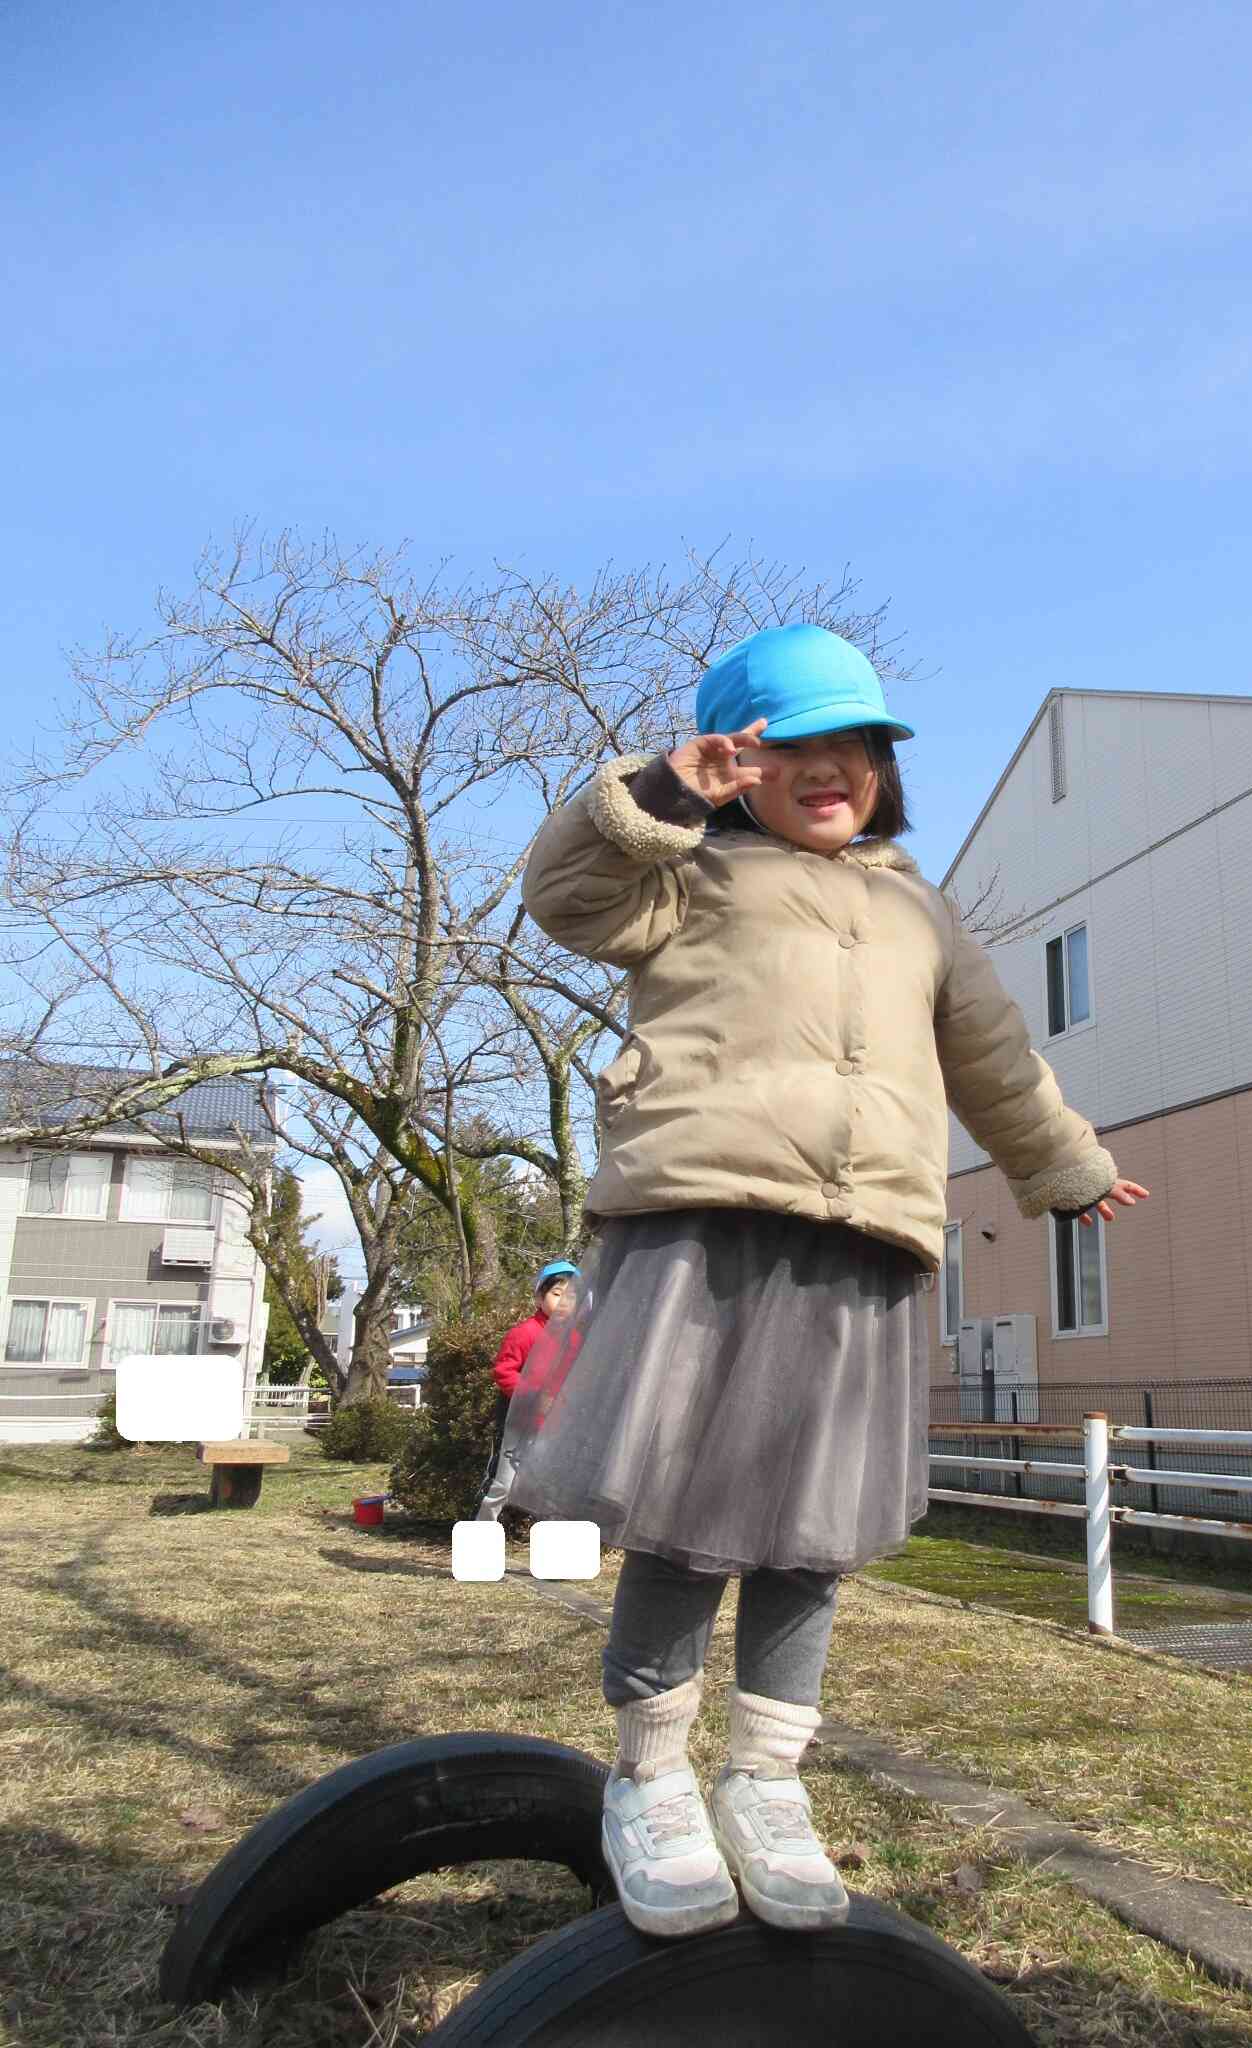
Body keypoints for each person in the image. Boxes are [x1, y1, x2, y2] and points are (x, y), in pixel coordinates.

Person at [514, 622, 1150, 1940]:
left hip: (866, 1238)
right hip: (710, 1223)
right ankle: (649, 1780)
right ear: (734, 767)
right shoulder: (685, 878)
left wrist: (1066, 1163)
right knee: (691, 1514)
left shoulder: (919, 908)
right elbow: (567, 892)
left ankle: (764, 1781)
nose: (832, 769)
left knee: (817, 1525)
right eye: (791, 747)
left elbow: (993, 1056)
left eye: (855, 745)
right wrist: (661, 795)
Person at [473, 1260, 581, 1524]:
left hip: (556, 1426)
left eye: (571, 1296)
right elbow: (503, 1371)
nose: (564, 1301)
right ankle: (480, 1532)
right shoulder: (524, 1333)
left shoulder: (576, 1339)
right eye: (557, 1294)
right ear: (539, 1296)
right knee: (504, 1484)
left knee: (552, 1486)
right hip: (521, 1422)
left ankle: (553, 1545)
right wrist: (533, 1396)